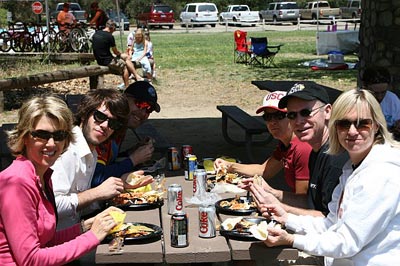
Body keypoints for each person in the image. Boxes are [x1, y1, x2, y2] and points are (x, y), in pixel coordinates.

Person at [262, 89, 400, 266]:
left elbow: (347, 242)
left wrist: (291, 240)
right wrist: (286, 218)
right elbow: (331, 224)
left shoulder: (380, 174)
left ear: (376, 125)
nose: (352, 131)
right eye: (343, 124)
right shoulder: (351, 167)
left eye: (362, 124)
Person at [0, 95, 123, 265]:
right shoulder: (17, 182)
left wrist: (84, 227)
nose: (51, 143)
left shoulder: (43, 175)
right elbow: (30, 259)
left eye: (59, 135)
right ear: (25, 137)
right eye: (42, 135)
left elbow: (46, 240)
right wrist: (92, 237)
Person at [51, 89, 147, 230]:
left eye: (113, 124)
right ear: (84, 114)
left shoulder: (91, 151)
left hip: (77, 232)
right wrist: (97, 192)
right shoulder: (67, 151)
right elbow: (52, 206)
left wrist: (119, 185)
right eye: (100, 116)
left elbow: (81, 204)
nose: (105, 126)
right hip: (56, 244)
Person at [251, 83, 348, 217]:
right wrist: (272, 193)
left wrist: (280, 209)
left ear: (327, 111)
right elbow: (310, 201)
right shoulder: (316, 150)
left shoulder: (335, 158)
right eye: (292, 115)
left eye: (306, 112)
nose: (299, 121)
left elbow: (330, 219)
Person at [214, 91, 312, 195]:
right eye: (268, 117)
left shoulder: (302, 148)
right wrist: (230, 166)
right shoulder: (285, 144)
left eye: (279, 115)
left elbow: (304, 201)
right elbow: (264, 170)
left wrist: (271, 194)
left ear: (292, 116)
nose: (272, 122)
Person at [92, 81, 161, 188]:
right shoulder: (105, 128)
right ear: (124, 98)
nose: (143, 113)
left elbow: (108, 161)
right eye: (140, 104)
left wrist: (131, 152)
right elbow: (97, 178)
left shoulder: (120, 128)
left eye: (149, 109)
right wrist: (133, 159)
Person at [92, 19, 141, 89]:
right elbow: (115, 51)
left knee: (124, 59)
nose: (114, 31)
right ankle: (127, 87)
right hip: (107, 61)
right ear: (112, 28)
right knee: (125, 66)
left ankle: (134, 77)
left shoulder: (96, 33)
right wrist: (121, 55)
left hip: (99, 59)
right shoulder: (110, 37)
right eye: (114, 30)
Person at [361, 66, 400, 137]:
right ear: (365, 87)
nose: (380, 97)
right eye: (375, 93)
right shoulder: (358, 101)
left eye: (383, 92)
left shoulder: (392, 99)